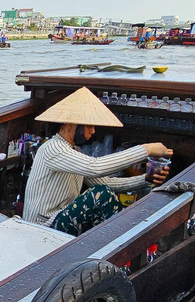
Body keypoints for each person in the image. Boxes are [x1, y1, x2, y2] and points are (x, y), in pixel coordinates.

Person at [23, 87, 172, 236]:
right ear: (69, 124)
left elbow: (106, 182)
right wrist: (147, 149)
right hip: (41, 227)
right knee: (101, 194)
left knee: (104, 191)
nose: (93, 131)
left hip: (59, 220)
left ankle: (122, 240)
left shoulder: (73, 151)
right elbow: (95, 167)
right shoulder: (53, 148)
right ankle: (122, 242)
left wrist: (145, 179)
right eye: (88, 126)